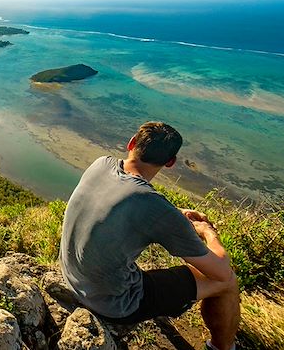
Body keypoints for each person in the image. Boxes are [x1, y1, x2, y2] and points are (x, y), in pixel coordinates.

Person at [60, 122, 239, 350]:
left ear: (131, 143)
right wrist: (209, 233)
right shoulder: (153, 206)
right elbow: (221, 270)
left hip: (73, 278)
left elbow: (128, 204)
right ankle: (221, 347)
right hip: (116, 303)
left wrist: (177, 215)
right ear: (170, 162)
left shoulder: (101, 164)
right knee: (227, 282)